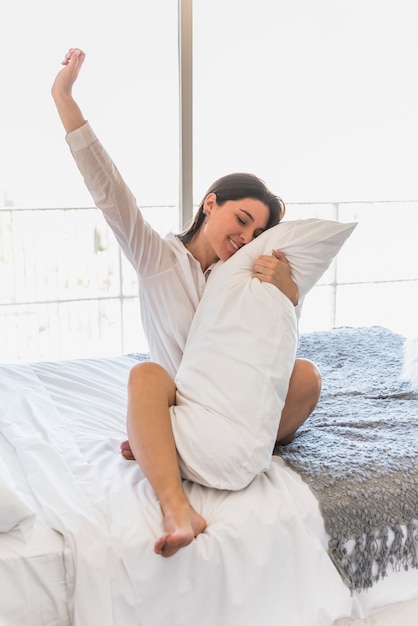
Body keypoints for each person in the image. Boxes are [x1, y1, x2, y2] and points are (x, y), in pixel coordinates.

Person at [51, 48, 322, 557]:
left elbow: (272, 347)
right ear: (210, 203)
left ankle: (179, 449)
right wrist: (64, 97)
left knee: (306, 376)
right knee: (145, 377)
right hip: (179, 401)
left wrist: (289, 293)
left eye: (258, 232)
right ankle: (177, 505)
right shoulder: (157, 257)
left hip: (237, 406)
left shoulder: (241, 277)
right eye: (241, 220)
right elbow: (109, 191)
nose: (246, 237)